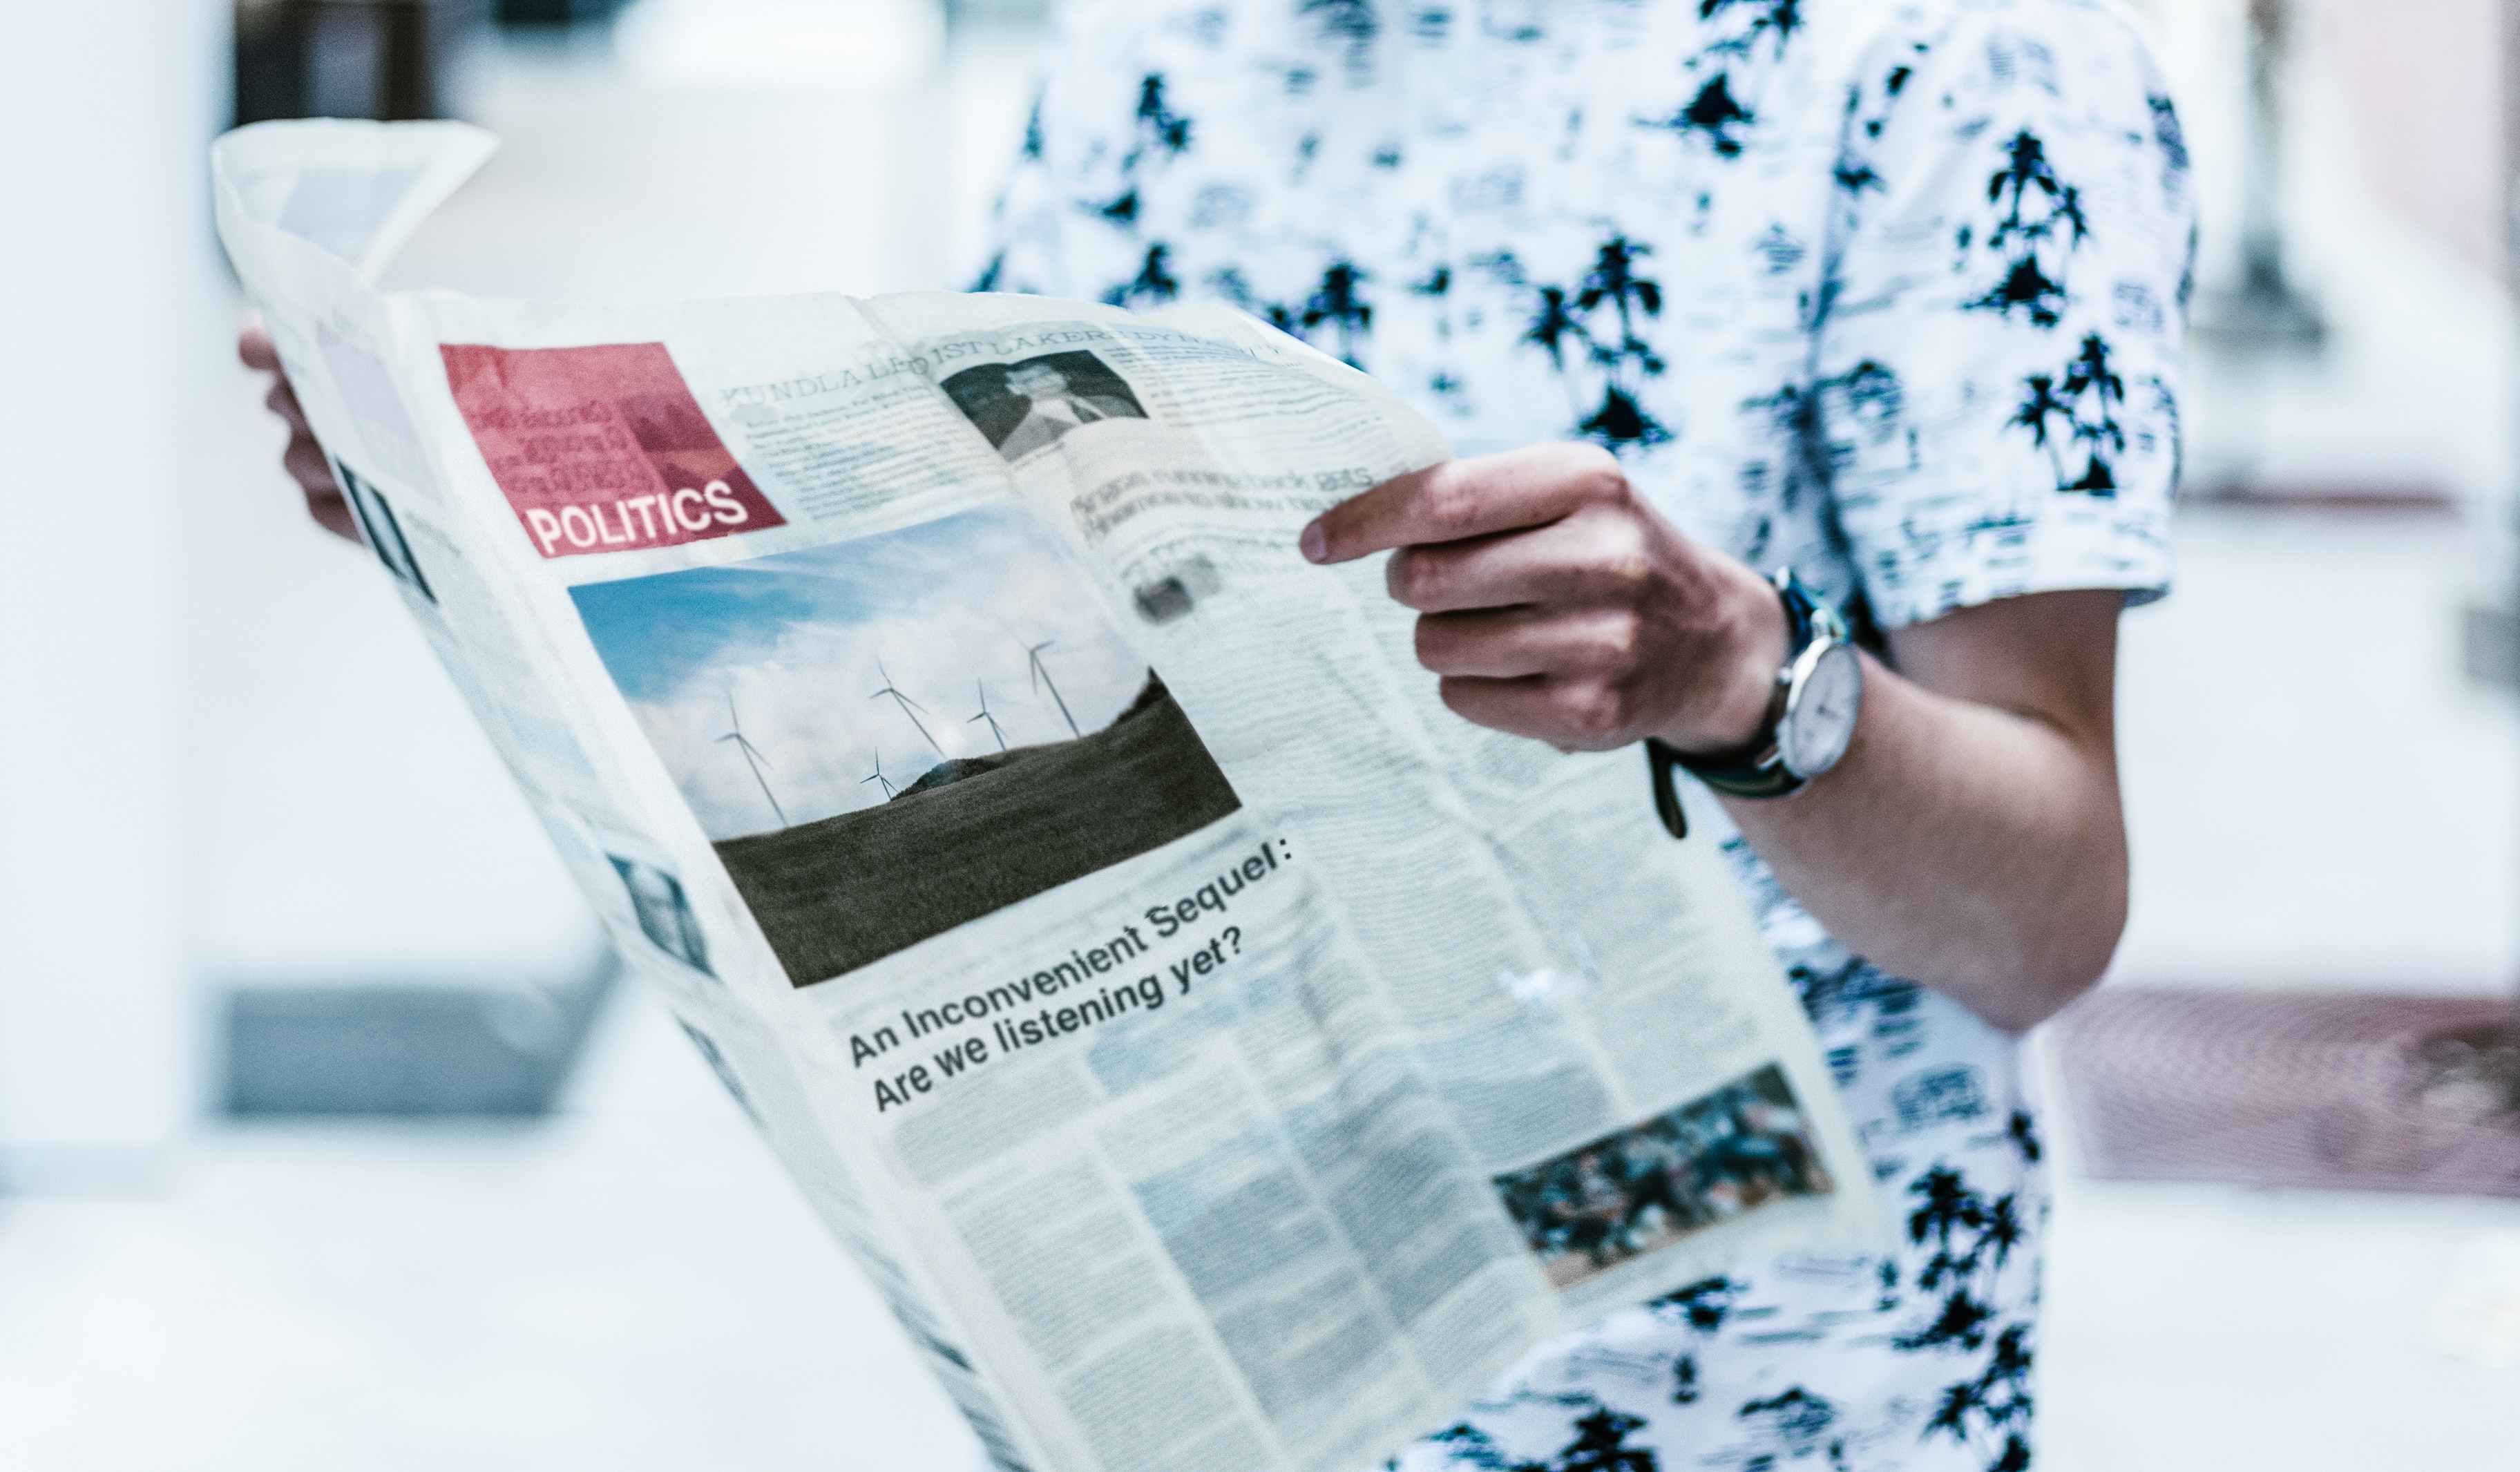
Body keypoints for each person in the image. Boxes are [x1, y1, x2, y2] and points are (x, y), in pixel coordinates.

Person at [245, 1, 2189, 1464]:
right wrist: (493, 531)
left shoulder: (1959, 66)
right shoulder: (1162, 45)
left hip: (1745, 1389)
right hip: (1240, 1356)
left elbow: (2045, 913)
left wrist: (1745, 686)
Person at [994, 359, 1143, 457]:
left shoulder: (1117, 403)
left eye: (1045, 373)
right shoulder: (1017, 443)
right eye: (1029, 380)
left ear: (1063, 375)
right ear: (1016, 389)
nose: (1042, 380)